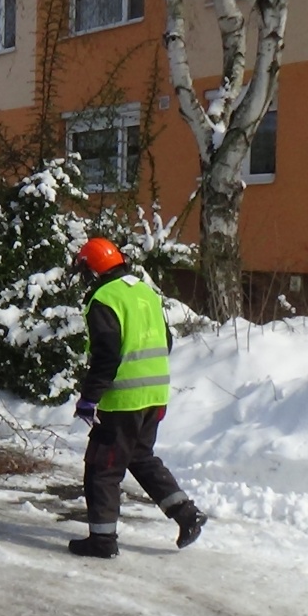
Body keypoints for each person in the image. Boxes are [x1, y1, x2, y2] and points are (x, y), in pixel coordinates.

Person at [68, 237, 207, 558]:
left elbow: (107, 354)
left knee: (102, 468)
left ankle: (102, 541)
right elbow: (166, 343)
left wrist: (90, 397)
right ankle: (186, 514)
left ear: (92, 269)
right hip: (155, 394)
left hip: (123, 401)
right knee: (139, 457)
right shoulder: (146, 292)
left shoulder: (104, 298)